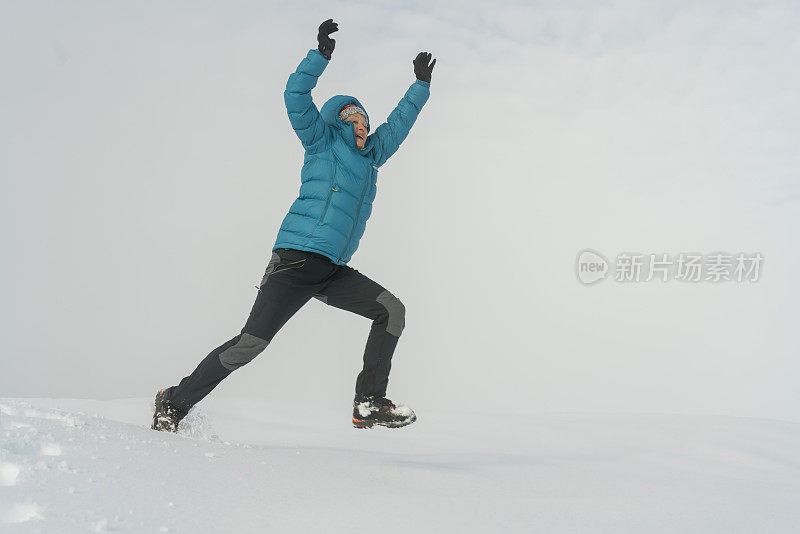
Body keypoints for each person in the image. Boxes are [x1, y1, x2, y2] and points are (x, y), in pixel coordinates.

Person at [151, 19, 435, 431]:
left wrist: (420, 87)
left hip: (332, 270)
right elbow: (295, 95)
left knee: (391, 311)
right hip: (297, 259)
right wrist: (318, 57)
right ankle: (172, 402)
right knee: (249, 345)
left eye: (364, 118)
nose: (361, 123)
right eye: (351, 116)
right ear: (337, 120)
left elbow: (400, 123)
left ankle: (369, 402)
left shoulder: (372, 155)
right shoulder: (320, 141)